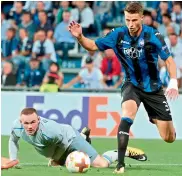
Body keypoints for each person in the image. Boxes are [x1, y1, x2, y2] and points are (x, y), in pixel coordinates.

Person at [68, 2, 178, 174]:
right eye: (128, 20)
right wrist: (80, 37)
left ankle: (154, 117)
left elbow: (170, 61)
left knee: (169, 138)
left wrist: (172, 82)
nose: (131, 24)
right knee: (127, 114)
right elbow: (92, 46)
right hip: (131, 84)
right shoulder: (118, 34)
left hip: (154, 89)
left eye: (134, 20)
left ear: (142, 18)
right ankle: (120, 164)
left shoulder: (154, 35)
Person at [2, 108, 147, 170]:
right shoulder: (17, 127)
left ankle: (121, 152)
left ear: (38, 120)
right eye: (26, 123)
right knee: (57, 163)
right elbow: (12, 140)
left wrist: (59, 159)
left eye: (33, 122)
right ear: (21, 122)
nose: (29, 126)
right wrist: (13, 159)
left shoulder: (50, 130)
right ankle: (84, 137)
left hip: (69, 140)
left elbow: (64, 144)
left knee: (101, 165)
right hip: (55, 149)